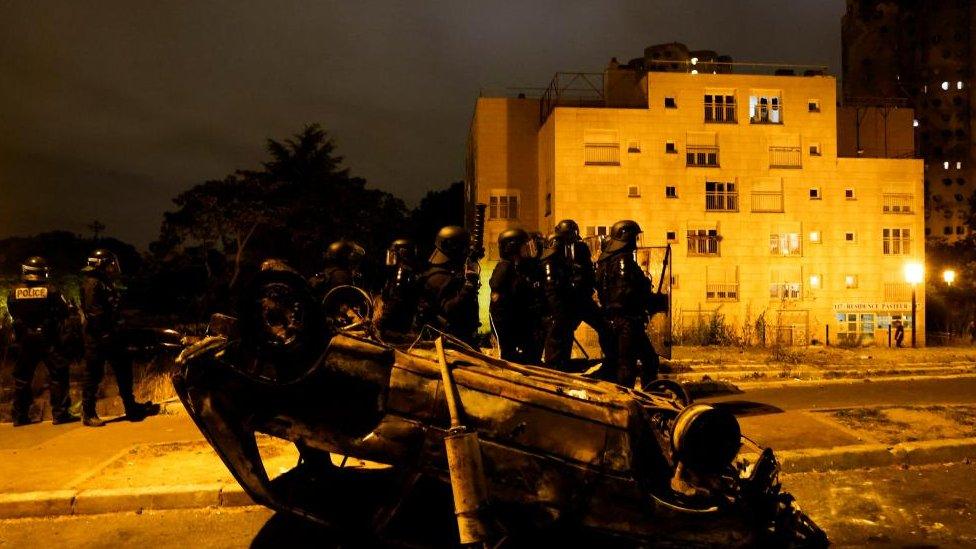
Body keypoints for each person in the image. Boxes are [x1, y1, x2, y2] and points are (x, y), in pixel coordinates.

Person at [80, 249, 157, 427]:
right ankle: (88, 413)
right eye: (110, 264)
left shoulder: (104, 282)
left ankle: (131, 407)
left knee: (124, 371)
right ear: (102, 265)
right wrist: (105, 334)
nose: (113, 268)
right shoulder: (92, 283)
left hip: (111, 334)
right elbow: (94, 313)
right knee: (93, 375)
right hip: (97, 337)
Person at [7, 256, 77, 426]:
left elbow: (13, 313)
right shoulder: (52, 291)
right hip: (48, 339)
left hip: (25, 340)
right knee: (58, 375)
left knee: (22, 378)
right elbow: (64, 312)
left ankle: (19, 416)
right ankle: (60, 414)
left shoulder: (14, 292)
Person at [595, 220, 661, 389]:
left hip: (613, 319)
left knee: (643, 360)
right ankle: (633, 401)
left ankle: (645, 395)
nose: (636, 242)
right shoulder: (623, 259)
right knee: (628, 364)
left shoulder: (604, 260)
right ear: (627, 237)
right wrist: (649, 299)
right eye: (634, 237)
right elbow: (626, 292)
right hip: (627, 321)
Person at [541, 219, 613, 371]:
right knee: (562, 333)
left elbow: (588, 272)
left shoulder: (581, 248)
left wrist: (587, 282)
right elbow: (553, 285)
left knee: (604, 326)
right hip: (568, 302)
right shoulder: (553, 253)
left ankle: (612, 361)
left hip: (582, 298)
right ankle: (557, 368)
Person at [415, 226, 480, 347]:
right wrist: (468, 287)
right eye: (464, 248)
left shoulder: (448, 272)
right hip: (448, 343)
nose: (466, 251)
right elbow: (449, 309)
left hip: (458, 340)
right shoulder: (439, 277)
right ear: (454, 248)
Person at [489, 229, 545, 364]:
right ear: (512, 248)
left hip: (520, 323)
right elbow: (499, 309)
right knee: (510, 361)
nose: (528, 251)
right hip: (508, 327)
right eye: (525, 247)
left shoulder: (519, 267)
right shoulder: (504, 268)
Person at [376, 239, 423, 339]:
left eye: (393, 253)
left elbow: (396, 299)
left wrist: (383, 321)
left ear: (402, 253)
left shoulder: (402, 272)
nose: (390, 256)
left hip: (395, 325)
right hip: (402, 322)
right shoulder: (408, 270)